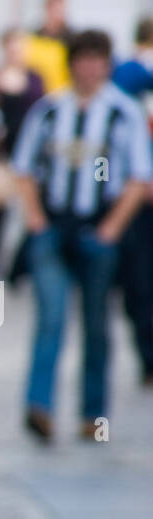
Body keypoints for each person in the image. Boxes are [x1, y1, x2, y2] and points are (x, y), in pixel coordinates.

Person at [13, 29, 152, 441]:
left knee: (96, 324)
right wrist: (36, 220)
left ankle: (93, 415)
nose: (90, 68)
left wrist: (111, 230)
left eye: (98, 60)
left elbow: (138, 179)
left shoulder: (122, 112)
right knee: (51, 317)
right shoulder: (50, 110)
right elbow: (25, 170)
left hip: (99, 226)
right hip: (55, 226)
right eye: (83, 59)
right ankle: (39, 406)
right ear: (72, 63)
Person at [0, 29, 45, 277]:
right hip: (1, 157)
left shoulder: (35, 79)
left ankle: (19, 268)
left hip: (29, 157)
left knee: (32, 214)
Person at [111, 18, 153, 386]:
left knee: (139, 280)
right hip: (137, 196)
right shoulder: (128, 76)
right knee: (139, 278)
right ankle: (148, 356)